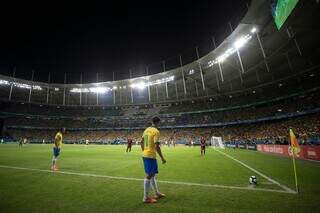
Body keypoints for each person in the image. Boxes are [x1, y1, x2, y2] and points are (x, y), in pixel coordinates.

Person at [141, 116, 166, 204]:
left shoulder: (146, 130)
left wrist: (144, 151)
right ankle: (145, 198)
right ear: (158, 122)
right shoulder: (156, 131)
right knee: (149, 175)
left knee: (152, 175)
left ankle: (156, 193)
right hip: (150, 155)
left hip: (145, 154)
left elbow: (142, 141)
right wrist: (162, 158)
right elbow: (156, 145)